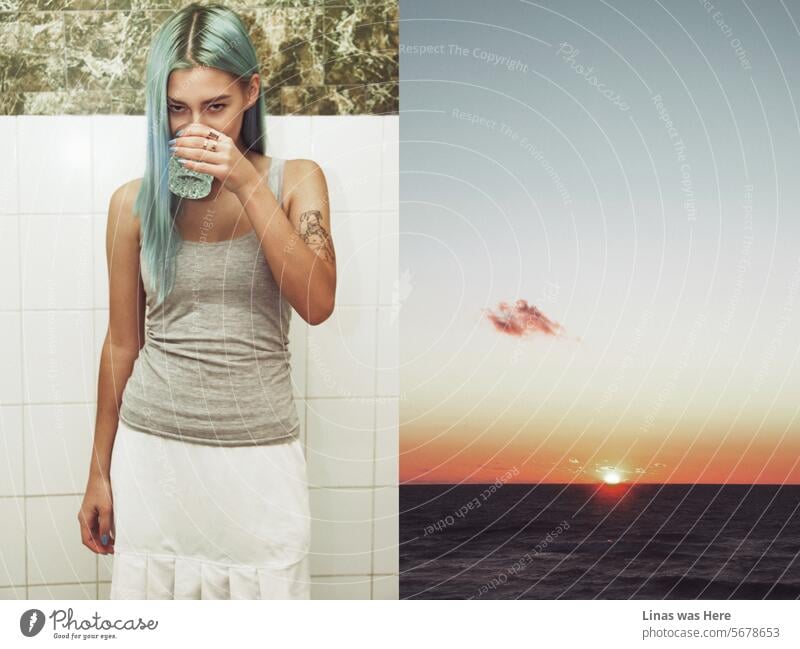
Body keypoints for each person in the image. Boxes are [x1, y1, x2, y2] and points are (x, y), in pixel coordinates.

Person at [77, 2, 336, 600]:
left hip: (259, 455)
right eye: (178, 109)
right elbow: (122, 343)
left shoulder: (298, 181)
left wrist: (246, 182)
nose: (196, 127)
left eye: (215, 106)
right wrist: (99, 472)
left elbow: (317, 303)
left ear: (250, 91)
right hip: (153, 456)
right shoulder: (132, 204)